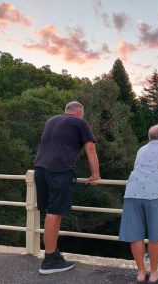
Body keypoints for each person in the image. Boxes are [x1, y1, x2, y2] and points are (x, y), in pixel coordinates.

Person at [34, 101, 100, 274]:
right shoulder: (80, 122)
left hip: (40, 169)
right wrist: (95, 174)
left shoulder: (51, 121)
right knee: (54, 214)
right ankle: (49, 261)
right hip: (59, 171)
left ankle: (53, 253)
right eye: (83, 114)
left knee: (51, 212)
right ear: (79, 113)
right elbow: (91, 149)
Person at [119, 124, 158, 283]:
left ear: (149, 138)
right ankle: (153, 274)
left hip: (132, 193)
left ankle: (140, 273)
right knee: (154, 236)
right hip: (154, 195)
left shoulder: (141, 150)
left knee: (135, 235)